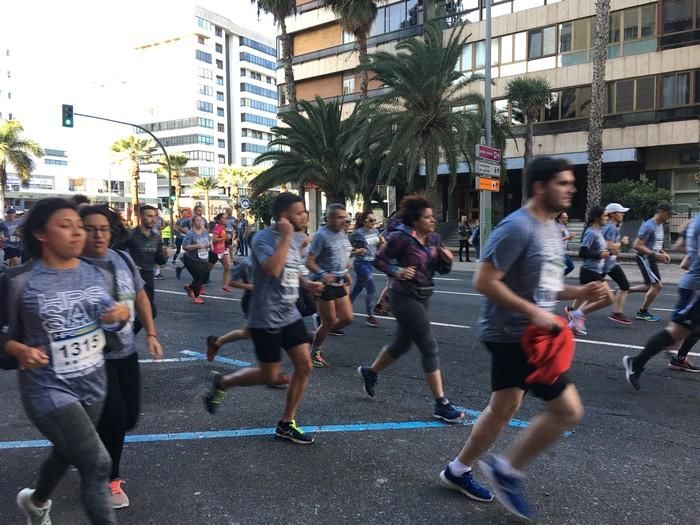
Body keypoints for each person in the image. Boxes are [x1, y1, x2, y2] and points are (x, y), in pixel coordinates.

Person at [439, 157, 606, 521]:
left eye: (571, 183)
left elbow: (542, 287)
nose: (571, 189)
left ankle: (457, 470)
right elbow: (483, 281)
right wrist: (533, 313)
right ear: (539, 187)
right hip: (516, 336)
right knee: (568, 410)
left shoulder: (549, 229)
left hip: (533, 334)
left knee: (503, 408)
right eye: (563, 183)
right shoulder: (516, 227)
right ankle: (506, 470)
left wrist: (582, 291)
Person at [0, 198, 131, 525]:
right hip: (47, 389)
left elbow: (110, 318)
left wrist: (120, 314)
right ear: (41, 233)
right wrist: (19, 350)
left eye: (79, 226)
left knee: (67, 451)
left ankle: (37, 501)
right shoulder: (19, 280)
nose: (77, 233)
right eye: (65, 226)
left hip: (93, 382)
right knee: (97, 463)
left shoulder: (97, 272)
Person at [203, 193, 323, 445]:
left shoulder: (295, 239)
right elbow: (272, 269)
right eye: (299, 212)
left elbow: (289, 269)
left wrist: (307, 284)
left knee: (304, 366)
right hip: (265, 317)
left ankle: (286, 423)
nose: (305, 216)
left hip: (289, 313)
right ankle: (222, 382)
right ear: (284, 216)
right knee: (270, 376)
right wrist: (287, 237)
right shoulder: (262, 238)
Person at [80, 205, 164, 509]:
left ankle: (84, 441)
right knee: (115, 416)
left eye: (103, 228)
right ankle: (109, 479)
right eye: (89, 228)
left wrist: (152, 335)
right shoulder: (73, 267)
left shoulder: (123, 258)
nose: (98, 234)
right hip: (92, 356)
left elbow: (140, 297)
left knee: (128, 417)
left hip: (125, 351)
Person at [358, 195, 464, 423]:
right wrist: (397, 271)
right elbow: (379, 260)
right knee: (429, 345)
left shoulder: (434, 238)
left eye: (432, 216)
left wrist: (447, 259)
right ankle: (441, 403)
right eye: (427, 217)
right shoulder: (401, 238)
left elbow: (442, 269)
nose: (432, 220)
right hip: (403, 297)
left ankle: (371, 372)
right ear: (415, 220)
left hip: (423, 295)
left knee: (402, 344)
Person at [623, 212, 700, 389]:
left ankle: (678, 358)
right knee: (675, 332)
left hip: (693, 284)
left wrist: (692, 254)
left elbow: (681, 244)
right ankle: (636, 363)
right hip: (695, 289)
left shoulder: (696, 219)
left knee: (692, 329)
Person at [306, 203, 357, 367]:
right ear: (328, 219)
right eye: (340, 217)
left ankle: (319, 331)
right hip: (323, 284)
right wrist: (323, 274)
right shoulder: (321, 236)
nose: (344, 220)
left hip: (339, 281)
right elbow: (309, 261)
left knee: (348, 318)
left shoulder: (342, 233)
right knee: (329, 321)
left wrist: (346, 273)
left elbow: (342, 255)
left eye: (345, 217)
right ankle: (314, 353)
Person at [565, 207, 614, 336]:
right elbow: (583, 252)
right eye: (604, 216)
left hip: (596, 271)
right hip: (590, 271)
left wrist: (607, 253)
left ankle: (574, 322)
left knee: (599, 298)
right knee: (608, 298)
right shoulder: (591, 232)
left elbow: (599, 250)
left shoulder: (599, 232)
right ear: (597, 217)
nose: (607, 218)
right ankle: (576, 315)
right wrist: (599, 255)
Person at [125, 205, 169, 332]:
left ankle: (127, 336)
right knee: (141, 311)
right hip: (132, 280)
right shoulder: (130, 235)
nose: (153, 219)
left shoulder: (156, 238)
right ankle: (124, 339)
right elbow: (117, 254)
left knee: (150, 312)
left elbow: (159, 261)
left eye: (155, 216)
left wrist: (165, 255)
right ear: (141, 217)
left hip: (148, 279)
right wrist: (131, 265)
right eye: (149, 216)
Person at [632, 203, 673, 321]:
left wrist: (663, 253)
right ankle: (642, 312)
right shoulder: (649, 226)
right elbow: (637, 245)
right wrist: (655, 255)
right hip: (644, 257)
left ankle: (624, 290)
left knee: (649, 286)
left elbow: (654, 244)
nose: (670, 216)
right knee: (657, 285)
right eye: (669, 214)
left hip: (650, 257)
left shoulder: (659, 225)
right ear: (660, 212)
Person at [349, 210, 384, 327]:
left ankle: (343, 309)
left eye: (374, 220)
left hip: (370, 263)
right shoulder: (357, 233)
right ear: (364, 221)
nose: (373, 222)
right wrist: (357, 251)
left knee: (357, 290)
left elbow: (378, 247)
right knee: (371, 288)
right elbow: (347, 248)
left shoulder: (375, 231)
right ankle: (370, 316)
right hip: (361, 264)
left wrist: (382, 243)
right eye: (370, 220)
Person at [602, 203, 633, 325]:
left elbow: (612, 248)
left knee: (624, 286)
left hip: (609, 263)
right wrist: (622, 243)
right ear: (613, 214)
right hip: (606, 264)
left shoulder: (611, 227)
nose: (623, 214)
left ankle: (617, 313)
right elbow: (609, 247)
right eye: (620, 212)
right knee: (591, 290)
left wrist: (616, 250)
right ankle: (617, 313)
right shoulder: (611, 227)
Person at [181, 215, 211, 304]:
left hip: (203, 258)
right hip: (191, 258)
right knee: (198, 277)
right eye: (197, 221)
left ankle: (190, 287)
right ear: (193, 223)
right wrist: (197, 246)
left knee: (205, 277)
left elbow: (209, 242)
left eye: (201, 220)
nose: (200, 222)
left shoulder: (205, 232)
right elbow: (185, 246)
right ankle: (197, 296)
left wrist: (210, 245)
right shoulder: (190, 233)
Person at [209, 213, 233, 293]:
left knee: (227, 267)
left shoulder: (223, 227)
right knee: (207, 270)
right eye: (223, 218)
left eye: (226, 218)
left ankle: (225, 286)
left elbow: (223, 239)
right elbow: (214, 240)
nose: (225, 220)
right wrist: (225, 237)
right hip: (215, 252)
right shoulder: (217, 228)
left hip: (222, 251)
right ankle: (199, 285)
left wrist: (227, 238)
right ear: (219, 220)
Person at [555, 211, 575, 276]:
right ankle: (557, 278)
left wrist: (570, 237)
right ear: (559, 218)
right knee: (570, 266)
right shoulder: (557, 227)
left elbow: (565, 238)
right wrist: (567, 237)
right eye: (564, 217)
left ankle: (556, 278)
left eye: (566, 217)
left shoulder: (563, 226)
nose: (566, 218)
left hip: (562, 251)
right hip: (558, 252)